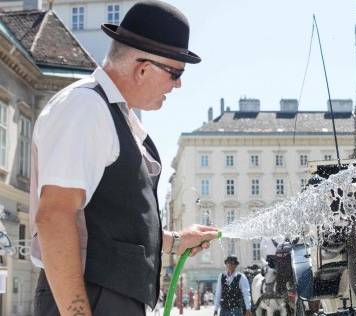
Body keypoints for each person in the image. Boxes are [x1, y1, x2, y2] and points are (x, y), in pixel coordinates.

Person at [30, 1, 218, 315]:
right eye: (175, 73)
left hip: (108, 298)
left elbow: (110, 227)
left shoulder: (110, 113)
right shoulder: (85, 108)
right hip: (93, 298)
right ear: (142, 68)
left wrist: (173, 241)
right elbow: (55, 216)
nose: (179, 84)